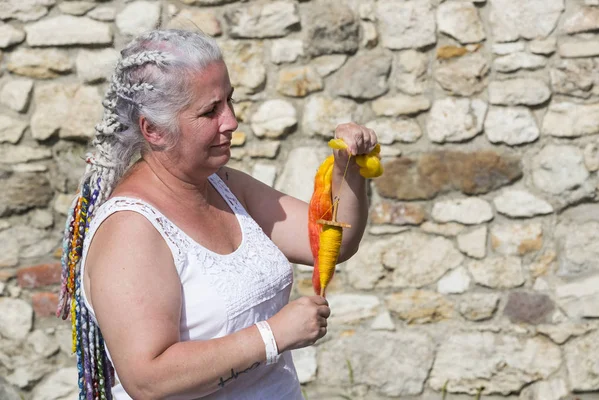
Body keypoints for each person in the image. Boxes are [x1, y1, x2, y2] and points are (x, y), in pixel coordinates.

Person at [57, 29, 379, 400]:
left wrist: (348, 169)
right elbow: (147, 377)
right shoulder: (130, 229)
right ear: (154, 130)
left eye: (229, 100)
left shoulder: (225, 185)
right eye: (211, 110)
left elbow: (330, 244)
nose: (231, 121)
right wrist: (272, 336)